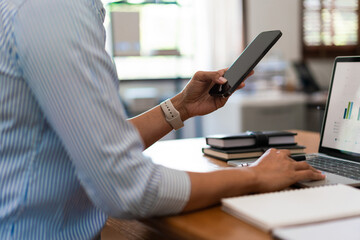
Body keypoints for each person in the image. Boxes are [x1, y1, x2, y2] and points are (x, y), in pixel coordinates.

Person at [0, 0, 325, 239]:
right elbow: (127, 187)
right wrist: (255, 176)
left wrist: (181, 107)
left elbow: (88, 144)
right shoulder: (53, 11)